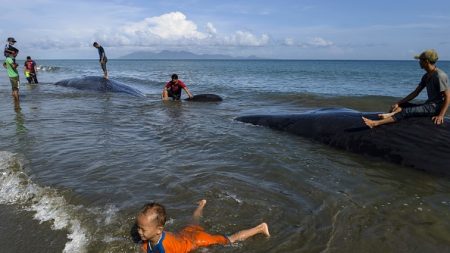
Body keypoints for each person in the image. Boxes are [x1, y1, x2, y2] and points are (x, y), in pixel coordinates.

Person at [135, 199, 270, 253]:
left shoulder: (165, 246)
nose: (139, 231)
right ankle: (201, 205)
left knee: (230, 240)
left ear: (159, 230)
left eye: (143, 229)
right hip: (184, 234)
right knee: (194, 223)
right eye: (138, 227)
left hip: (198, 240)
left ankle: (260, 228)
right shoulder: (147, 240)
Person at [363, 49, 449, 128]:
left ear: (426, 61)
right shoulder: (426, 76)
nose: (419, 62)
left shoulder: (440, 76)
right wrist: (398, 103)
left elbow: (448, 98)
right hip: (428, 105)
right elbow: (415, 92)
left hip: (435, 108)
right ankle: (390, 115)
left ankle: (375, 123)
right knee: (402, 105)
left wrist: (441, 115)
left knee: (406, 112)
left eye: (420, 60)